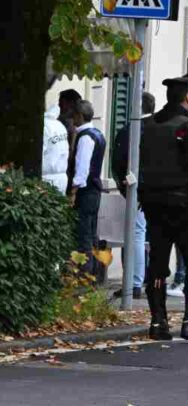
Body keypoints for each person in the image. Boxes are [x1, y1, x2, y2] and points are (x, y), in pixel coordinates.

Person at [139, 75, 188, 343]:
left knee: (157, 263)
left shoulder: (149, 126)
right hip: (185, 205)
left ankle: (158, 321)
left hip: (153, 204)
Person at [111, 91, 156, 300]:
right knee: (154, 235)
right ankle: (152, 280)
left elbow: (118, 162)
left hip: (137, 191)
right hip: (161, 190)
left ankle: (134, 283)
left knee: (136, 235)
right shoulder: (161, 128)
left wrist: (124, 189)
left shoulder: (130, 130)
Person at [67, 100, 107, 277]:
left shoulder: (85, 137)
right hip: (94, 190)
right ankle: (96, 273)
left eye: (74, 115)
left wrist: (73, 192)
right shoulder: (98, 134)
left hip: (86, 191)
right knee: (91, 233)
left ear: (80, 116)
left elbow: (82, 168)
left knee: (84, 235)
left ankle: (85, 275)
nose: (72, 118)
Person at [58, 89, 82, 193]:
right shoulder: (64, 120)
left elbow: (71, 150)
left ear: (70, 103)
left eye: (61, 102)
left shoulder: (70, 122)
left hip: (67, 171)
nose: (58, 105)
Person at [42, 103, 69, 193]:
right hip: (62, 176)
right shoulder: (60, 126)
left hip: (47, 177)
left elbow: (40, 150)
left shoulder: (44, 125)